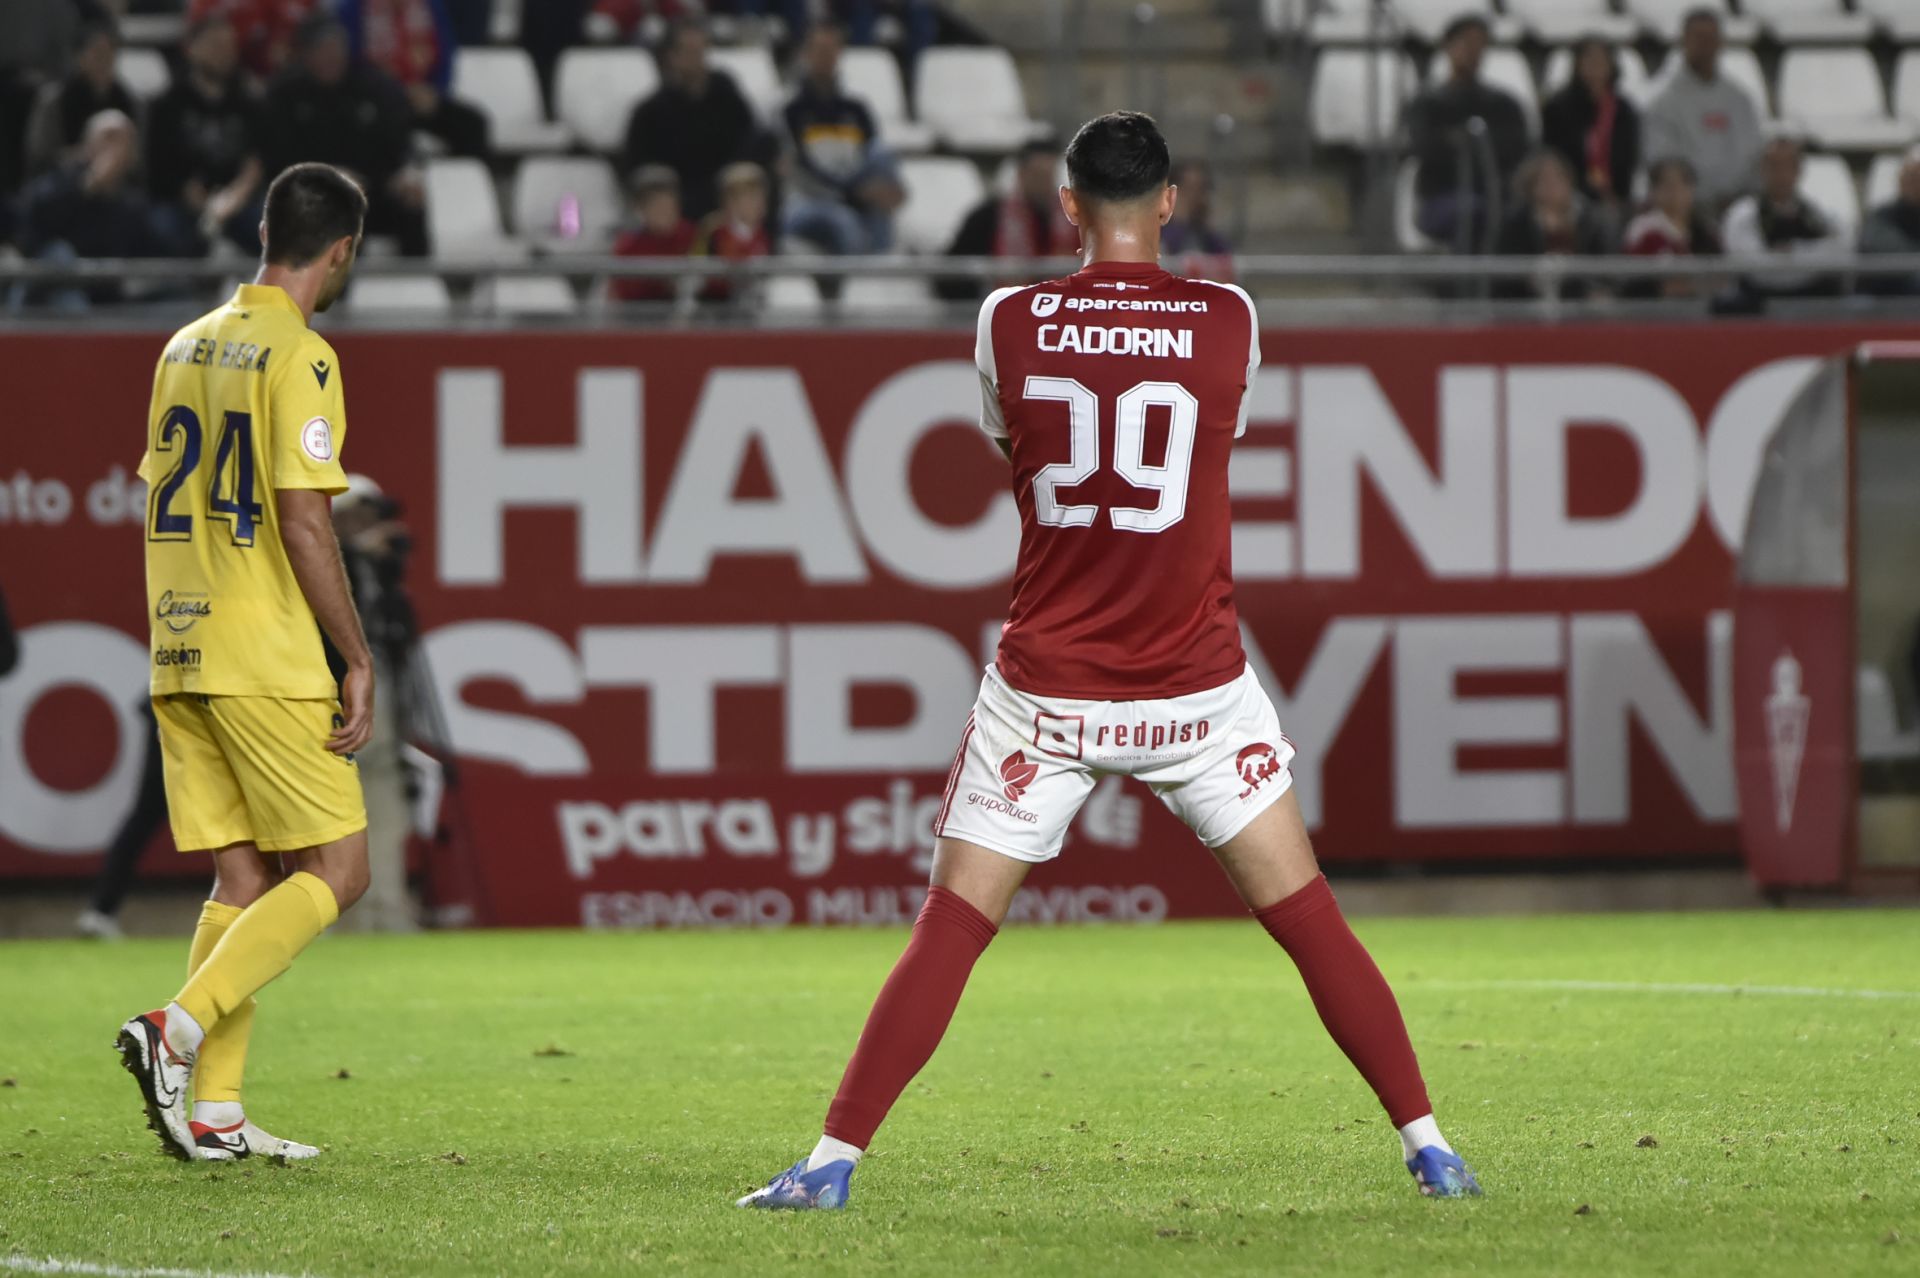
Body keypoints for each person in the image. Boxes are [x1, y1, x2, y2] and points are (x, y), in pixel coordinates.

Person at [737, 110, 1479, 1212]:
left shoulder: (1007, 321)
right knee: (1309, 915)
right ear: (1171, 202)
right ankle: (1432, 1148)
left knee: (953, 927)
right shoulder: (1230, 319)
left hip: (1049, 690)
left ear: (1067, 205)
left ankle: (833, 1166)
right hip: (1199, 689)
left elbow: (1013, 447)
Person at [114, 162, 377, 1164]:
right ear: (341, 249)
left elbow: (157, 493)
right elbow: (305, 520)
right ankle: (174, 1030)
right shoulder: (300, 355)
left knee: (243, 875)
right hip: (262, 648)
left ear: (265, 230)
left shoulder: (182, 346)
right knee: (339, 870)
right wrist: (352, 655)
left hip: (178, 643)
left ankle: (213, 1110)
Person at [260, 15, 426, 255]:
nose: (332, 57)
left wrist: (403, 172)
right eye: (323, 50)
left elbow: (396, 140)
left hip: (371, 186)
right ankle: (336, 290)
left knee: (409, 206)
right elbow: (278, 158)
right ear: (305, 54)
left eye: (337, 49)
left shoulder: (372, 87)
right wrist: (329, 176)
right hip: (312, 193)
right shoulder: (285, 95)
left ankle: (419, 282)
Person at [13, 111, 186, 308]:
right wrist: (90, 186)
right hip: (52, 290)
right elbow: (35, 226)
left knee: (178, 304)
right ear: (87, 145)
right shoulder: (60, 179)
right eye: (109, 137)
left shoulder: (132, 203)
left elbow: (160, 253)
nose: (117, 148)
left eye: (126, 140)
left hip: (108, 296)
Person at [1403, 13, 1531, 251]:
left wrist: (1462, 142)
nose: (1473, 51)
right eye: (1466, 42)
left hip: (1496, 197)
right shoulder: (1427, 105)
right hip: (1441, 199)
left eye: (1479, 43)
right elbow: (1424, 148)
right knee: (1471, 214)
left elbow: (1518, 148)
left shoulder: (1503, 105)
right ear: (1448, 46)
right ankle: (1465, 286)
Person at [780, 20, 905, 255]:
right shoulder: (791, 110)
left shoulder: (856, 109)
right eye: (820, 50)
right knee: (845, 223)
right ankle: (859, 280)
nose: (826, 57)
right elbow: (799, 171)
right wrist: (853, 193)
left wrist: (886, 188)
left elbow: (872, 158)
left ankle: (882, 264)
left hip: (851, 190)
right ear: (806, 54)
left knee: (881, 154)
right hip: (809, 200)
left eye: (832, 50)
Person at [145, 15, 264, 256]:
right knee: (164, 229)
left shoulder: (249, 100)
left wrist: (231, 200)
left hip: (237, 199)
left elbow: (257, 161)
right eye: (215, 45)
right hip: (181, 199)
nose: (224, 53)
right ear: (192, 49)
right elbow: (161, 164)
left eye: (229, 46)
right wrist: (198, 199)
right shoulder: (168, 103)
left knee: (274, 227)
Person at [623, 20, 761, 221]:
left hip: (725, 193)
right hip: (677, 200)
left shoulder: (728, 98)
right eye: (688, 51)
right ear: (672, 56)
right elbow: (639, 164)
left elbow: (750, 141)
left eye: (700, 50)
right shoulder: (651, 112)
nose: (696, 58)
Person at [334, 0, 492, 160]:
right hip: (376, 101)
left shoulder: (430, 6)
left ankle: (459, 180)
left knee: (471, 125)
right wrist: (396, 92)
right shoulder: (354, 8)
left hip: (422, 97)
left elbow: (446, 56)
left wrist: (435, 91)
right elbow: (349, 63)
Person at [1644, 7, 1763, 215]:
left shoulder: (1740, 100)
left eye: (1711, 38)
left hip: (1739, 209)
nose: (1705, 46)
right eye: (1698, 38)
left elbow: (1753, 158)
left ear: (1720, 42)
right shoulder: (1663, 103)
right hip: (1688, 211)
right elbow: (1662, 163)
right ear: (1684, 42)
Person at [935, 138, 1079, 301]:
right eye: (1037, 174)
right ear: (1021, 173)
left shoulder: (1076, 217)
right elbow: (951, 274)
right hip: (1006, 308)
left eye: (1048, 175)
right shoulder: (988, 217)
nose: (1043, 182)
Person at [1721, 134, 1846, 301]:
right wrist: (1804, 259)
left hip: (1811, 301)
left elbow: (1838, 251)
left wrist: (1792, 251)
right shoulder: (1741, 214)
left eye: (1789, 166)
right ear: (1762, 169)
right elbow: (1752, 266)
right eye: (1774, 166)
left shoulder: (1819, 214)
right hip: (1758, 302)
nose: (1782, 174)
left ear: (1799, 170)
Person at [23, 13, 142, 180]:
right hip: (64, 186)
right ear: (80, 57)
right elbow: (41, 158)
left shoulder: (126, 99)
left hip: (116, 190)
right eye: (97, 53)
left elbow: (137, 160)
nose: (104, 60)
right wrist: (85, 155)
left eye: (111, 52)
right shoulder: (55, 100)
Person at [1540, 37, 1639, 231]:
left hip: (1615, 197)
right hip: (1571, 196)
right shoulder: (1558, 108)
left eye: (1601, 61)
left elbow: (1629, 156)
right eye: (1589, 61)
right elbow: (1553, 154)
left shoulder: (1623, 111)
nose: (1596, 68)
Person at [1492, 150, 1613, 299]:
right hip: (1529, 302)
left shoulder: (1589, 219)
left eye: (1557, 178)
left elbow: (1602, 266)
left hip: (1580, 300)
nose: (1551, 186)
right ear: (1531, 186)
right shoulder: (1517, 223)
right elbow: (1506, 272)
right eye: (1544, 180)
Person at [1622, 155, 1722, 298]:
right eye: (1668, 186)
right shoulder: (1644, 229)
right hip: (1655, 310)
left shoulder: (1705, 229)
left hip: (1703, 310)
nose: (1676, 193)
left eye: (1683, 184)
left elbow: (1721, 277)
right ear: (1653, 191)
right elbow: (1657, 284)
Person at [610, 166, 697, 303]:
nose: (663, 212)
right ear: (641, 209)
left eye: (668, 205)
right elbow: (623, 292)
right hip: (641, 315)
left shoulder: (694, 236)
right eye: (656, 206)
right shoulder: (629, 244)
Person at [186, 0, 322, 82]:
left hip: (262, 73)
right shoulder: (206, 5)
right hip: (218, 73)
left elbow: (276, 40)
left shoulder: (268, 6)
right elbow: (195, 42)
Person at [698, 160, 772, 302]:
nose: (759, 203)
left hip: (753, 307)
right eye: (750, 197)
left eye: (760, 196)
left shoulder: (763, 234)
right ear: (730, 203)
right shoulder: (714, 232)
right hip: (717, 310)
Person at [1858, 147, 1920, 295]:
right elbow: (1886, 248)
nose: (1916, 184)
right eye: (1912, 177)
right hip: (1883, 296)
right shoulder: (1881, 216)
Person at [1161, 158, 1232, 275]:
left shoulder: (1205, 233)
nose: (1195, 196)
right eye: (1190, 189)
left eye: (1201, 189)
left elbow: (1227, 261)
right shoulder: (1157, 227)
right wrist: (1179, 221)